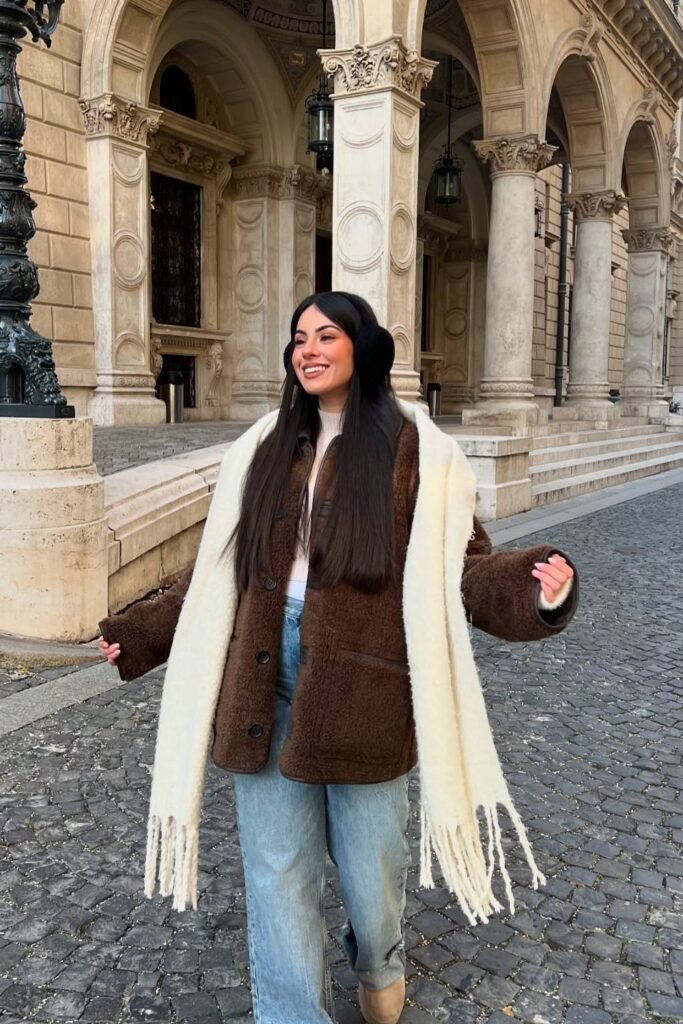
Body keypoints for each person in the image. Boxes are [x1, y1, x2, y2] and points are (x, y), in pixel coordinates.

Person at [99, 291, 577, 1024]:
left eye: (326, 335)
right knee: (277, 871)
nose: (308, 350)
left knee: (370, 872)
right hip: (259, 679)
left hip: (364, 687)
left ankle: (378, 957)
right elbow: (216, 569)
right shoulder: (263, 444)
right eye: (298, 338)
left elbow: (463, 570)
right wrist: (142, 632)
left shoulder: (416, 451)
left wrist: (535, 587)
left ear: (362, 347)